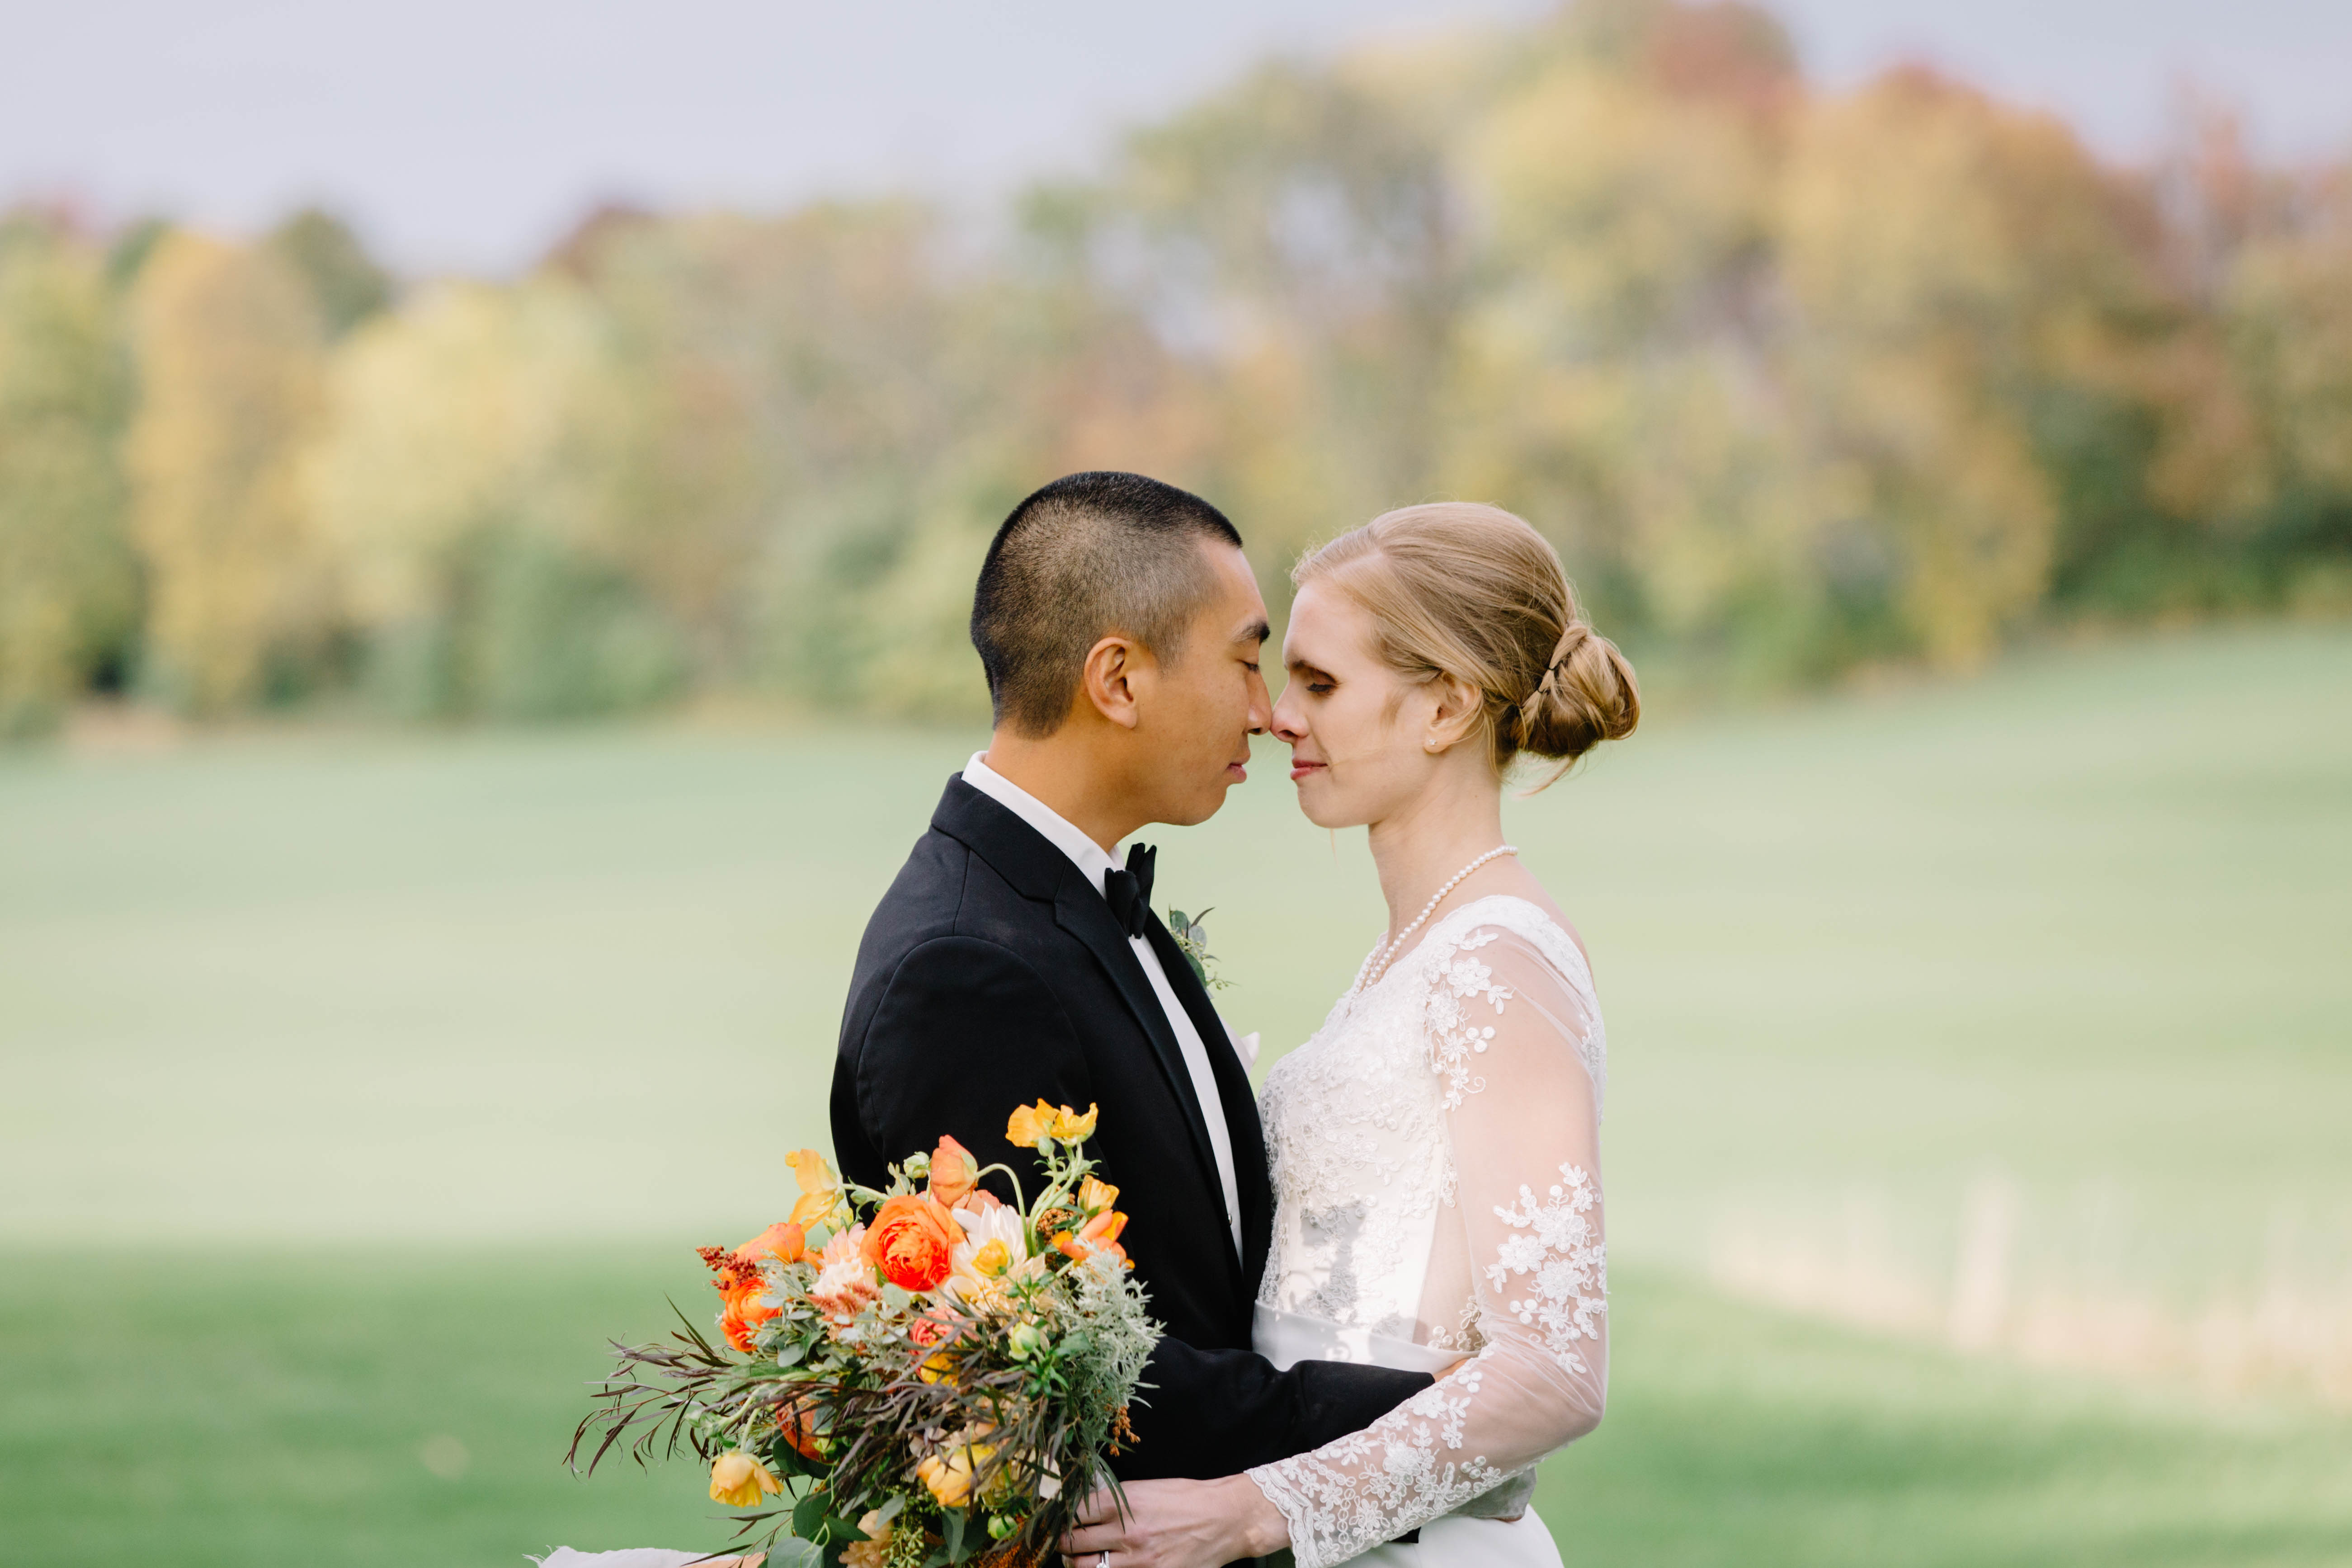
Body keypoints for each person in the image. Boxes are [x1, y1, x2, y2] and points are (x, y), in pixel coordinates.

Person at [830, 472, 1434, 1505]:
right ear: (1116, 679)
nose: (1268, 712)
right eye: (1246, 660)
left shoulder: (1079, 898)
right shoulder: (964, 969)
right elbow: (1067, 1381)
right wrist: (1438, 1416)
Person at [1060, 501, 1638, 1568]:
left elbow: (1555, 1367)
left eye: (1320, 685)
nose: (1278, 715)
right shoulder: (1410, 952)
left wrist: (1255, 1509)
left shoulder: (1494, 962)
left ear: (1447, 707)